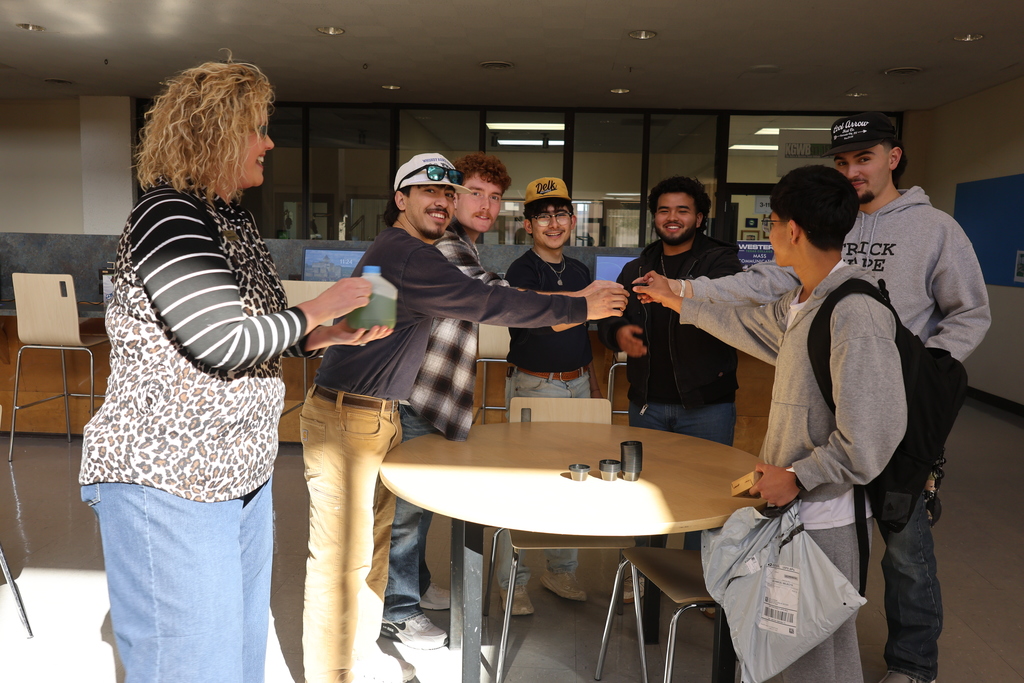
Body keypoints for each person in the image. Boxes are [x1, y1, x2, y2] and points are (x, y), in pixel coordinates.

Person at [78, 60, 389, 683]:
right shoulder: (168, 217)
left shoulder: (232, 220)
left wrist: (321, 334)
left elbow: (262, 328)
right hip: (168, 476)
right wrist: (317, 307)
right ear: (214, 133)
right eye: (257, 128)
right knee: (192, 666)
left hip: (238, 472)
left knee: (238, 661)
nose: (270, 143)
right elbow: (221, 341)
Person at [671, 113, 991, 683]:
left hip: (866, 445)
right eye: (842, 163)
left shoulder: (917, 247)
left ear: (893, 157)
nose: (852, 172)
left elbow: (871, 427)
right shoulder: (811, 293)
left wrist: (919, 370)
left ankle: (914, 665)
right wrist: (682, 297)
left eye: (862, 159)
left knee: (899, 562)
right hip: (819, 472)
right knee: (794, 630)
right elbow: (763, 316)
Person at [300, 152, 628, 683]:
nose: (445, 202)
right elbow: (487, 302)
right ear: (399, 199)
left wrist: (346, 339)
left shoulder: (396, 249)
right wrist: (578, 307)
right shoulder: (414, 253)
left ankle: (355, 660)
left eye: (450, 193)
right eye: (432, 192)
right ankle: (335, 672)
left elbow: (372, 323)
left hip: (370, 410)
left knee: (370, 552)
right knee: (344, 563)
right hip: (351, 416)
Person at [636, 164, 907, 683]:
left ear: (794, 231)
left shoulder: (856, 312)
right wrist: (679, 299)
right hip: (790, 508)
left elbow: (871, 436)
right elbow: (750, 327)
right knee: (776, 646)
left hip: (824, 516)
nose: (769, 234)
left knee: (812, 652)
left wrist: (800, 476)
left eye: (773, 222)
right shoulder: (803, 300)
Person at [380, 152, 513, 650]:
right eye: (473, 193)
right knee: (408, 516)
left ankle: (409, 587)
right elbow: (493, 297)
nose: (484, 205)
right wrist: (575, 304)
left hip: (432, 396)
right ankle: (398, 610)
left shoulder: (460, 246)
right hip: (414, 397)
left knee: (417, 510)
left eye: (494, 197)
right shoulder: (444, 248)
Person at [494, 176, 600, 615]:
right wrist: (585, 300)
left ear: (573, 220)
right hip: (535, 384)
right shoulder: (522, 270)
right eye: (543, 216)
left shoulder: (579, 270)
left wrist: (592, 383)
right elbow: (539, 317)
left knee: (573, 482)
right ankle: (512, 581)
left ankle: (560, 569)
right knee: (525, 482)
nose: (553, 223)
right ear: (528, 225)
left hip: (577, 382)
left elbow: (583, 334)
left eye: (560, 214)